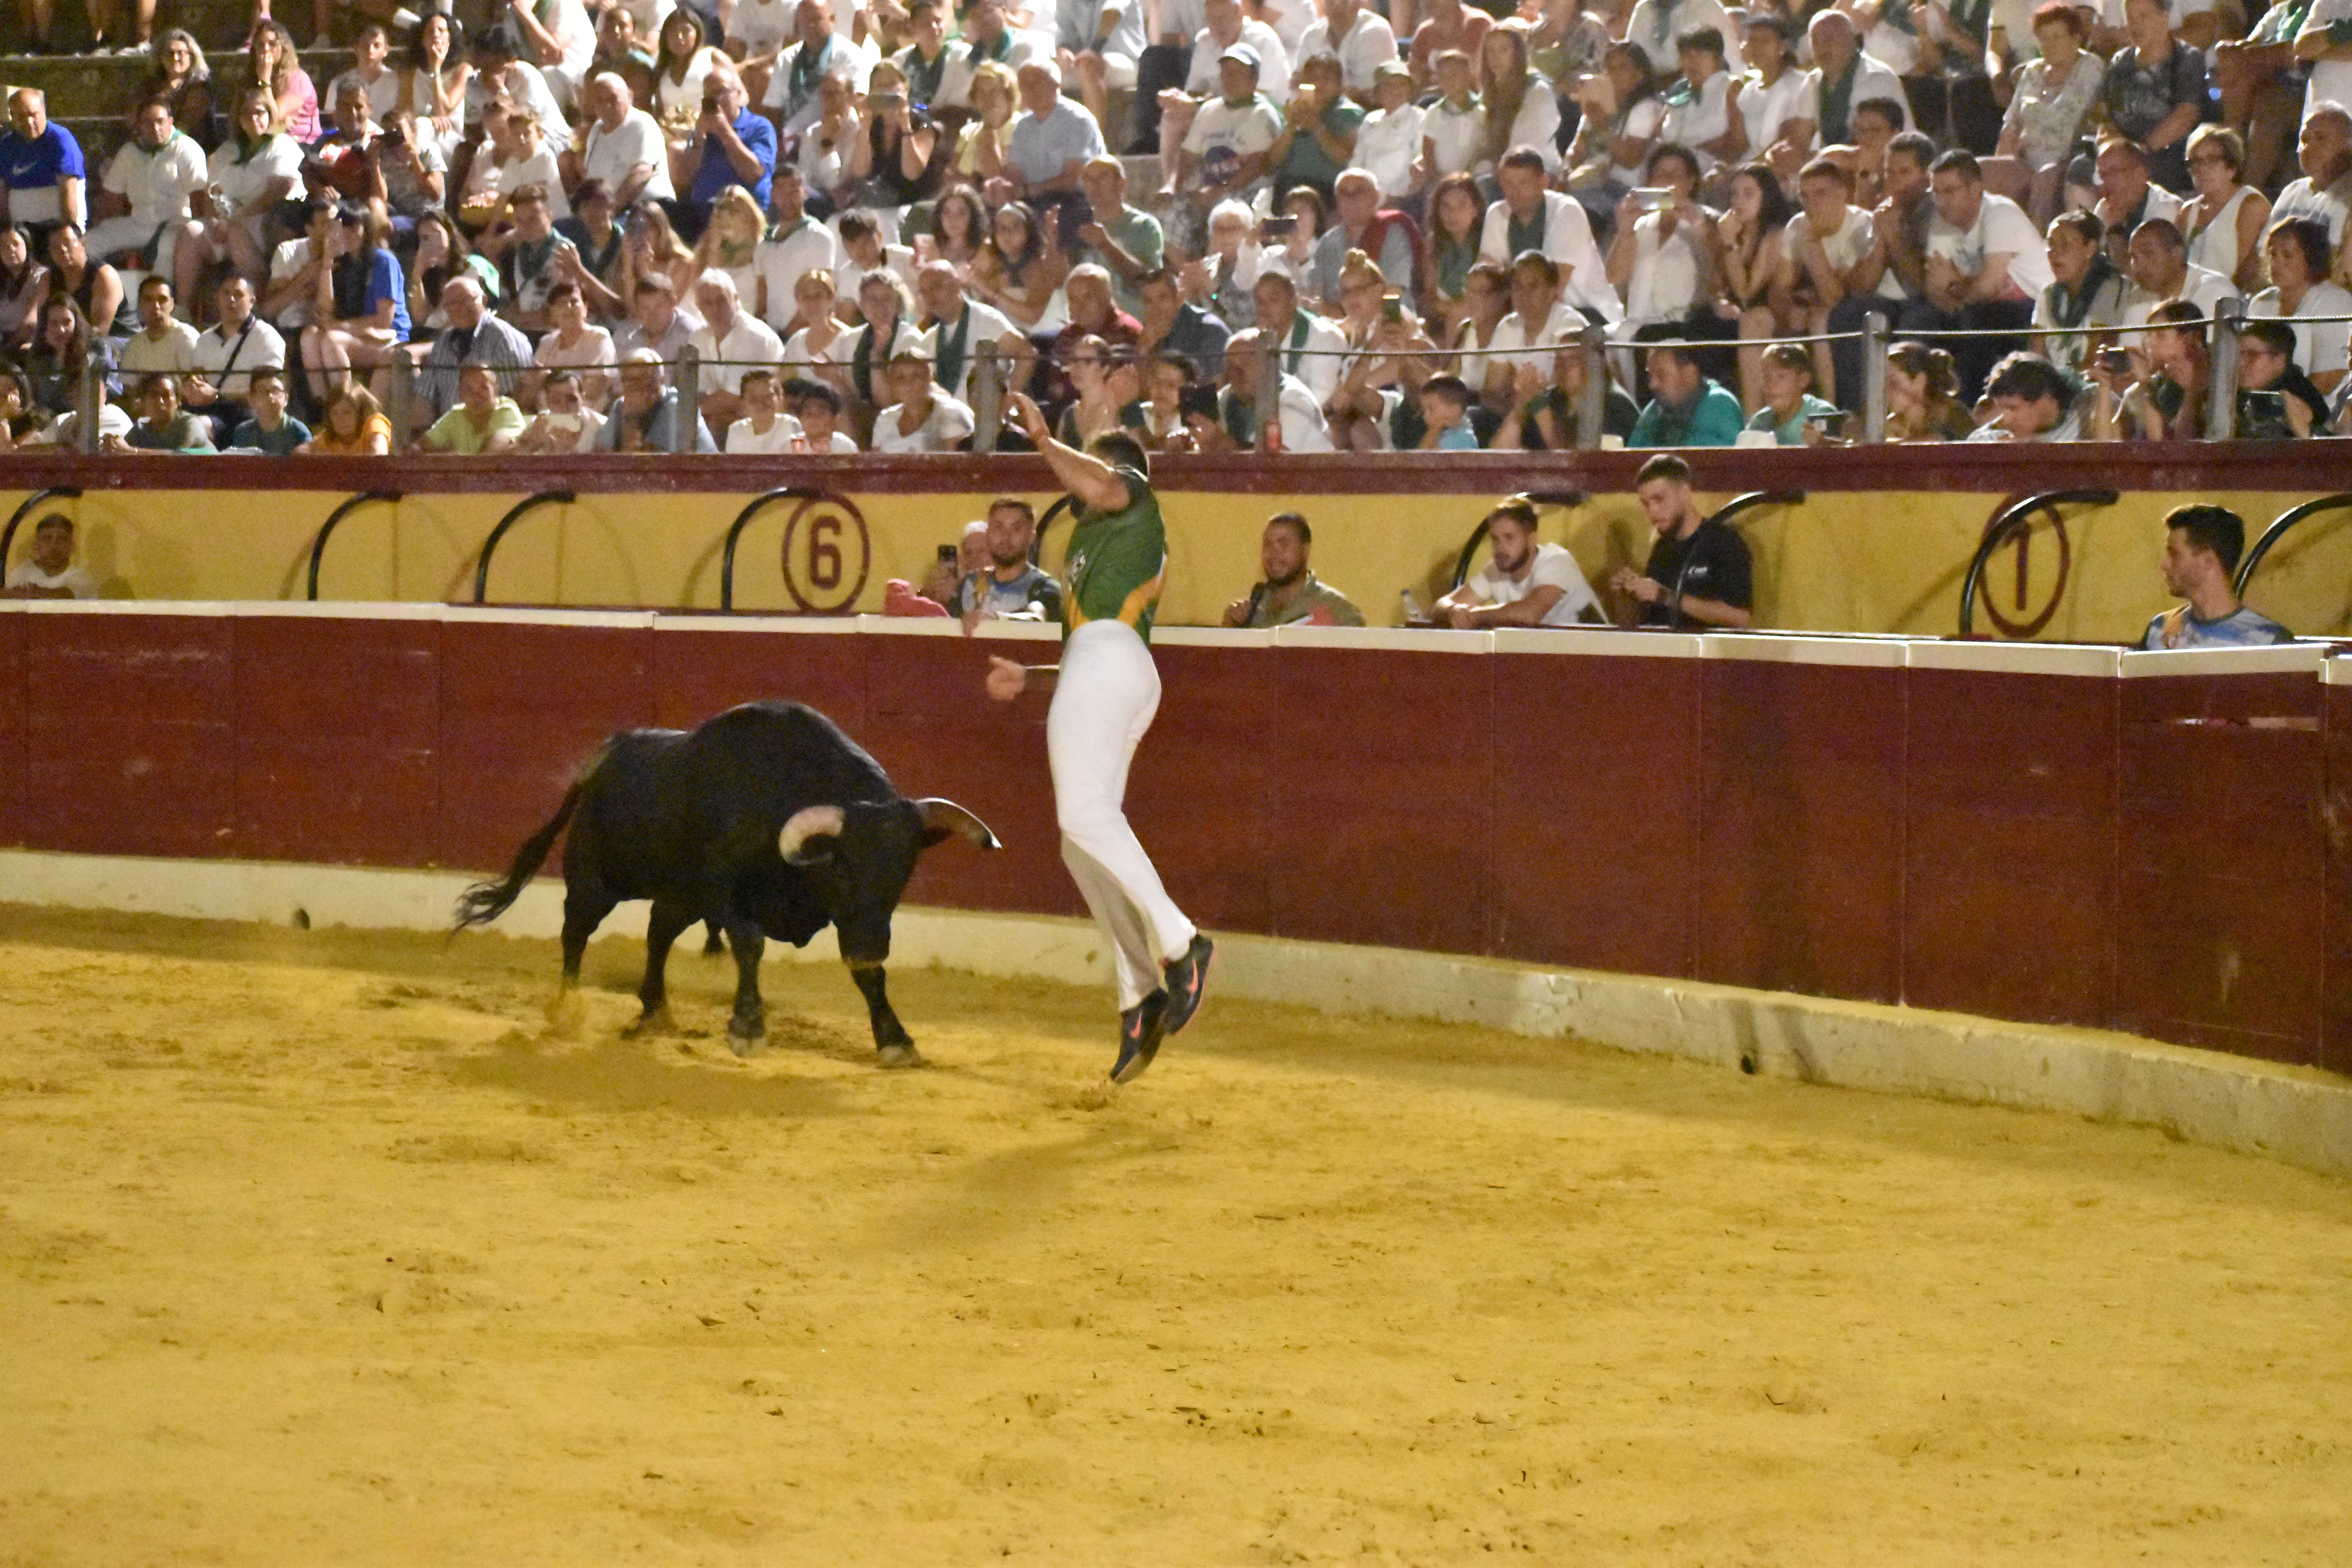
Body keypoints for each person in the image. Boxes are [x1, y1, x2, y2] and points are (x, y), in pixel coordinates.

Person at [982, 394, 1213, 1085]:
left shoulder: (1132, 495)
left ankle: (1182, 943)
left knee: (1084, 817)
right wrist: (1032, 677)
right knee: (1080, 840)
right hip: (1111, 667)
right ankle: (1139, 996)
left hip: (1112, 663)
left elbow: (1104, 482)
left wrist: (1045, 439)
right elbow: (1089, 656)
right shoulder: (1093, 546)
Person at [1608, 454, 1753, 628]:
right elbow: (1644, 624)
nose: (1652, 511)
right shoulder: (1663, 548)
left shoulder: (1723, 541)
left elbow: (1740, 618)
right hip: (1665, 644)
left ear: (1684, 493)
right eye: (1646, 504)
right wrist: (1626, 596)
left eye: (1659, 499)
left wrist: (1667, 596)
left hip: (1707, 645)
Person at [85, 97, 205, 299]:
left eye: (160, 121)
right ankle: (94, 300)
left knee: (166, 250)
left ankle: (159, 308)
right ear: (139, 126)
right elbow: (112, 196)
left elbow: (199, 196)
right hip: (138, 223)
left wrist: (196, 233)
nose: (155, 128)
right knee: (87, 245)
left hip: (175, 224)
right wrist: (109, 223)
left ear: (171, 121)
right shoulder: (130, 152)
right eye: (148, 123)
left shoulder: (187, 148)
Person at [1432, 496, 1599, 628]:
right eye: (1495, 539)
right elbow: (1440, 607)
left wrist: (1473, 617)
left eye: (1509, 538)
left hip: (1596, 654)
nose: (1500, 547)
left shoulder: (1556, 560)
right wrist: (1453, 611)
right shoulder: (1495, 571)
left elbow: (1528, 614)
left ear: (1532, 539)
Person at [2142, 505, 2290, 649]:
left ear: (2207, 561)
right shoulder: (2159, 630)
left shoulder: (2268, 641)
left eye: (2175, 554)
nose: (2165, 565)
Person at [1221, 512, 1364, 628]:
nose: (1274, 553)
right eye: (1268, 545)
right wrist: (1230, 629)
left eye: (1284, 544)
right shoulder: (1251, 611)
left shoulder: (1338, 611)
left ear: (1305, 550)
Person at [2031, 210, 2127, 376]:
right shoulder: (2048, 294)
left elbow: (2094, 358)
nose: (2054, 252)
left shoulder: (2111, 287)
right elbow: (2035, 355)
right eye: (2051, 244)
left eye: (2065, 243)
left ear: (2090, 248)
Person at [953, 497, 1064, 622]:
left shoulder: (1044, 586)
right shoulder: (970, 584)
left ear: (1032, 538)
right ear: (988, 534)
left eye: (1016, 529)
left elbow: (1036, 616)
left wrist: (995, 619)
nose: (1005, 537)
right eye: (998, 528)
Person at [0, 89, 87, 238]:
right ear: (12, 117)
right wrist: (4, 232)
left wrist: (68, 232)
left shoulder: (60, 139)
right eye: (21, 117)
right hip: (20, 234)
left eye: (34, 115)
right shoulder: (6, 145)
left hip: (57, 229)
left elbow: (69, 192)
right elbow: (2, 193)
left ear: (44, 111)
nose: (29, 122)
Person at [1629, 341, 1744, 446]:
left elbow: (1715, 458)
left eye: (1661, 375)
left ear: (1689, 374)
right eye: (1651, 376)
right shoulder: (1653, 411)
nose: (1653, 385)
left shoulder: (1719, 405)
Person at [2229, 319, 2330, 438]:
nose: (2241, 363)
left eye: (2252, 355)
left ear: (2280, 361)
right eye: (2238, 355)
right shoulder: (2234, 394)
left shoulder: (2301, 399)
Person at [1968, 350, 2084, 440]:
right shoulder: (1985, 440)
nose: (2006, 420)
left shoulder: (2084, 425)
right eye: (2001, 408)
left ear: (2047, 401)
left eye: (2013, 408)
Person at [417, 361, 524, 454]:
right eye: (469, 390)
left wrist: (455, 461)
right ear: (461, 394)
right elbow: (420, 446)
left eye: (484, 388)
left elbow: (491, 456)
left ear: (496, 391)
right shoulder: (456, 415)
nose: (477, 396)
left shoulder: (507, 411)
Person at [1744, 343, 1840, 444]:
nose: (1771, 384)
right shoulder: (1759, 423)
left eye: (1781, 376)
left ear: (1803, 380)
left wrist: (1818, 445)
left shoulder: (1822, 414)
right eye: (1766, 377)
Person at [4, 513, 96, 599]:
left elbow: (68, 595)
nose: (54, 545)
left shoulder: (82, 578)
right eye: (47, 539)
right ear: (36, 545)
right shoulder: (21, 573)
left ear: (71, 546)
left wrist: (35, 592)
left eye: (62, 539)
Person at [225, 365, 310, 454]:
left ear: (286, 399)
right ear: (251, 400)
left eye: (276, 391)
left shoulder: (298, 431)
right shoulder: (243, 432)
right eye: (262, 392)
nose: (270, 397)